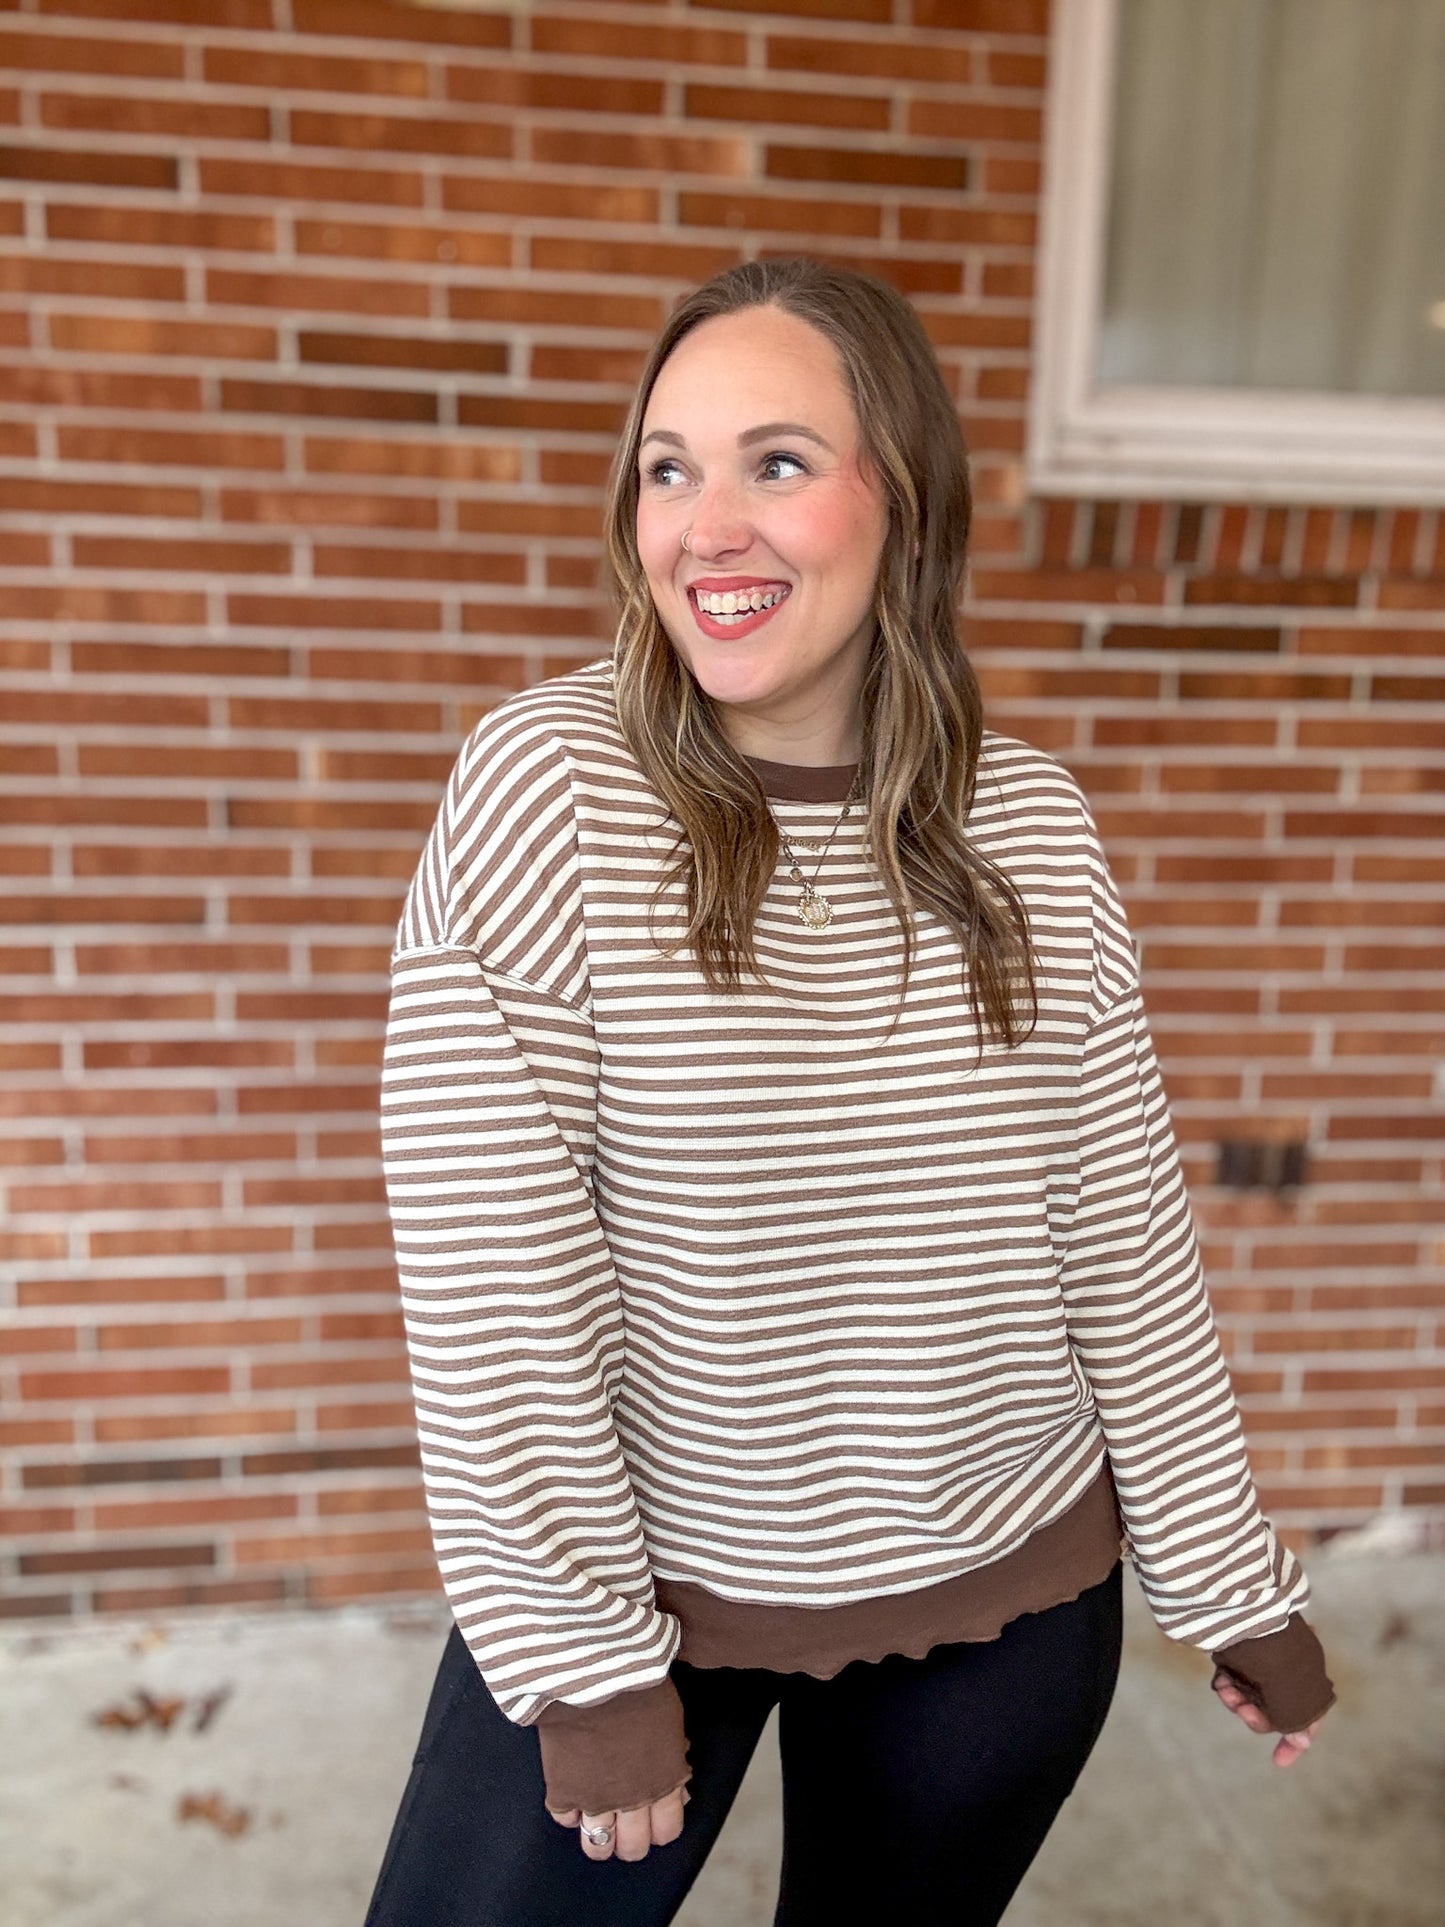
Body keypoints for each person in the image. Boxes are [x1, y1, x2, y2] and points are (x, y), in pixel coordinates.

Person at [364, 256, 1334, 1927]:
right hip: (647, 1595)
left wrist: (1225, 1578)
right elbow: (496, 1274)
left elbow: (1116, 1229)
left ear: (905, 499)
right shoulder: (548, 789)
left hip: (1001, 1597)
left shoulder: (1026, 829)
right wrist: (586, 1667)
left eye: (778, 462)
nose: (703, 525)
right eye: (668, 467)